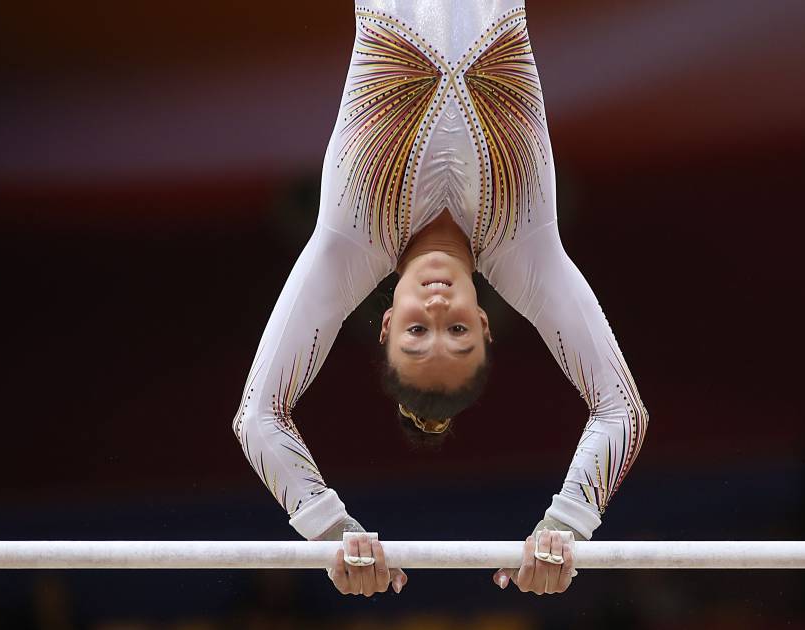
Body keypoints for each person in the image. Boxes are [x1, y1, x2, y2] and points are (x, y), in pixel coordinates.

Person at [232, 0, 649, 596]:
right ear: (484, 321)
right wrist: (566, 525)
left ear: (383, 325)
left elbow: (258, 417)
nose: (435, 312)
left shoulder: (347, 240)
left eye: (415, 335)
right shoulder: (527, 244)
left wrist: (331, 532)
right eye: (457, 333)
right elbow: (622, 413)